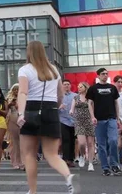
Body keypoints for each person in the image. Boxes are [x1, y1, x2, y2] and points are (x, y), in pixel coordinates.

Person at [17, 41, 79, 194]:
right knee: (52, 155)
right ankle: (68, 176)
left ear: (29, 52)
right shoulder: (54, 70)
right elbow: (60, 95)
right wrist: (55, 107)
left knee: (29, 154)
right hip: (51, 110)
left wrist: (20, 113)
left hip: (31, 109)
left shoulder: (25, 70)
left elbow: (23, 92)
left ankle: (33, 190)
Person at [86, 67, 122, 176]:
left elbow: (116, 103)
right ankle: (105, 168)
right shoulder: (93, 88)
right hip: (99, 120)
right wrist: (92, 117)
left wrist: (118, 117)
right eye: (103, 74)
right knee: (101, 145)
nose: (105, 75)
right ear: (98, 76)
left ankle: (114, 165)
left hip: (111, 118)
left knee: (113, 141)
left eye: (106, 74)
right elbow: (90, 103)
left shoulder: (112, 88)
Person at [70, 82, 95, 172]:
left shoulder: (90, 98)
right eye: (78, 87)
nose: (79, 88)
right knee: (81, 143)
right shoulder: (75, 97)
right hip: (79, 122)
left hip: (89, 121)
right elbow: (72, 108)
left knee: (90, 143)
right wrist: (71, 111)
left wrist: (93, 118)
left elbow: (93, 109)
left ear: (85, 87)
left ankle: (91, 163)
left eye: (81, 87)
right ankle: (82, 155)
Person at [60, 80, 77, 167]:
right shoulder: (59, 96)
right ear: (62, 86)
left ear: (70, 86)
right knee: (65, 139)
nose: (66, 86)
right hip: (63, 120)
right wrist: (59, 107)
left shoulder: (75, 96)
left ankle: (71, 158)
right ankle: (65, 159)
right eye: (65, 84)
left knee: (72, 140)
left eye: (68, 84)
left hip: (73, 121)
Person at [6, 83, 23, 170]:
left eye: (18, 89)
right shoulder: (9, 99)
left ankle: (21, 162)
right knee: (14, 142)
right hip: (12, 120)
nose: (16, 91)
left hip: (22, 120)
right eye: (15, 89)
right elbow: (5, 110)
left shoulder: (23, 98)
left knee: (22, 142)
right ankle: (15, 162)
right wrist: (9, 105)